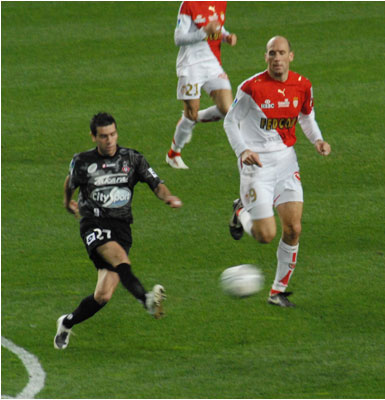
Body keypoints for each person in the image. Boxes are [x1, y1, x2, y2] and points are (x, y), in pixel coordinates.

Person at [54, 112, 183, 350]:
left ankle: (67, 322)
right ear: (94, 137)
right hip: (93, 224)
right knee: (120, 259)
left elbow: (156, 183)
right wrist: (66, 202)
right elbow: (69, 182)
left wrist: (168, 197)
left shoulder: (132, 159)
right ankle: (145, 300)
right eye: (103, 136)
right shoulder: (83, 161)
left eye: (112, 134)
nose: (109, 140)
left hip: (121, 226)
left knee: (103, 295)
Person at [224, 36, 331, 307]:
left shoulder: (303, 85)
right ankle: (240, 212)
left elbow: (307, 116)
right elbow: (230, 121)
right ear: (266, 57)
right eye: (272, 53)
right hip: (256, 165)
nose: (277, 58)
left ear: (291, 56)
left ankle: (277, 291)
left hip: (286, 162)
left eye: (281, 53)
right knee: (265, 235)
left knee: (293, 228)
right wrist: (242, 151)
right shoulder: (251, 88)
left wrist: (317, 139)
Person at [166, 1, 238, 169]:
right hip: (191, 65)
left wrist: (226, 36)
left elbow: (218, 26)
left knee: (227, 109)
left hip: (213, 64)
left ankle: (190, 120)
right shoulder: (189, 4)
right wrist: (204, 32)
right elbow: (178, 39)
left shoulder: (221, 3)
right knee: (190, 113)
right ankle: (173, 154)